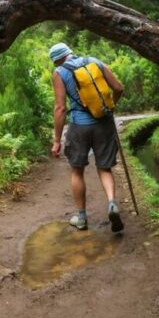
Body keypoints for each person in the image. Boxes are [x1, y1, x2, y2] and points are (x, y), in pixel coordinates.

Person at [49, 42, 125, 232]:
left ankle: (81, 218)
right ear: (70, 53)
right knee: (104, 167)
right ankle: (111, 204)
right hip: (104, 123)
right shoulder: (94, 62)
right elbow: (118, 88)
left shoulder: (59, 72)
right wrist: (109, 107)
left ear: (56, 60)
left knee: (77, 170)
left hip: (79, 126)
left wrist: (57, 140)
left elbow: (60, 108)